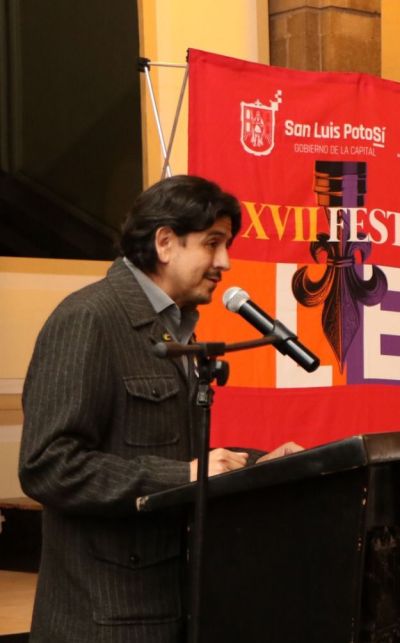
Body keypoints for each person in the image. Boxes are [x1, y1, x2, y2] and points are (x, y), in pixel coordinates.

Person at [19, 175, 301, 642]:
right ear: (165, 242)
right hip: (103, 625)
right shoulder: (88, 318)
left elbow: (170, 456)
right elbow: (47, 466)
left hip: (169, 611)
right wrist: (184, 475)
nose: (225, 262)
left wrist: (259, 467)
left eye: (226, 245)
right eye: (212, 243)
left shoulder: (175, 329)